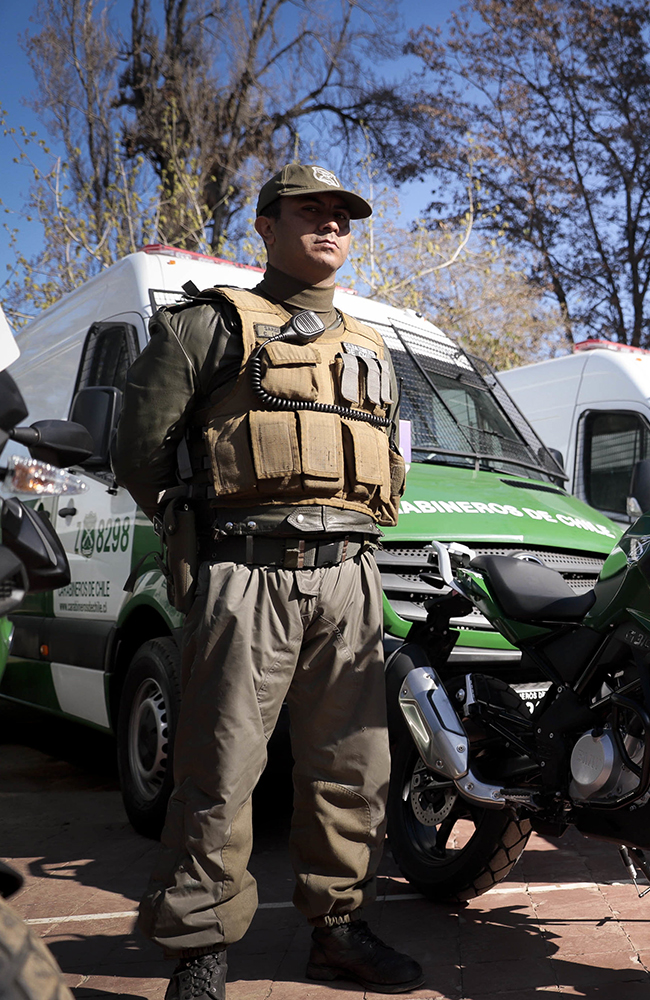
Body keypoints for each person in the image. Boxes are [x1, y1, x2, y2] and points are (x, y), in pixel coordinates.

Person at [114, 164, 421, 1000]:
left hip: (351, 580)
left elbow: (388, 456)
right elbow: (136, 448)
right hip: (247, 574)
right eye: (309, 213)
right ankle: (202, 952)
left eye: (342, 217)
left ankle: (339, 932)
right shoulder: (211, 327)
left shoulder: (371, 344)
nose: (329, 227)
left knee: (354, 772)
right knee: (218, 770)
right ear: (265, 226)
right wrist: (195, 533)